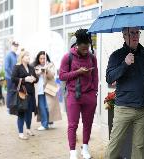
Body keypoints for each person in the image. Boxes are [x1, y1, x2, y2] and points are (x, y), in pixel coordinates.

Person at [105, 27, 144, 159]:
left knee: (139, 146)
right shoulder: (116, 55)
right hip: (124, 108)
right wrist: (124, 64)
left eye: (137, 32)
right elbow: (109, 78)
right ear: (124, 35)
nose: (135, 36)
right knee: (115, 145)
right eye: (131, 33)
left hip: (143, 107)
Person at [59, 29, 98, 159]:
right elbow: (62, 76)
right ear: (77, 45)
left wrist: (94, 92)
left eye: (88, 47)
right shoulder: (68, 57)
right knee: (72, 124)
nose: (86, 50)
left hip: (89, 96)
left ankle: (85, 148)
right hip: (73, 95)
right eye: (83, 48)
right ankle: (72, 152)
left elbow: (95, 75)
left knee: (88, 124)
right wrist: (78, 72)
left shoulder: (92, 57)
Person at [11, 50, 38, 140]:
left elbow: (36, 78)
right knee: (21, 113)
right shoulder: (17, 67)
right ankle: (21, 133)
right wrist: (24, 79)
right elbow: (13, 78)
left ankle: (28, 129)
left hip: (30, 93)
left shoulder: (31, 67)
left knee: (29, 112)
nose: (28, 57)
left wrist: (34, 79)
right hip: (22, 93)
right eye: (26, 56)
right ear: (22, 57)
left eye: (29, 56)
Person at [33, 51, 62, 131]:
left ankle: (50, 122)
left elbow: (52, 75)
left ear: (46, 58)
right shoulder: (35, 67)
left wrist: (47, 70)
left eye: (44, 58)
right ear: (38, 59)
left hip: (49, 88)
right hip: (39, 90)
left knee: (49, 106)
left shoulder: (50, 65)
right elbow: (34, 77)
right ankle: (44, 124)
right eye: (41, 58)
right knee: (42, 107)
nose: (42, 60)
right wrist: (38, 73)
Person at [4, 41, 19, 112]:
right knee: (10, 92)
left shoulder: (16, 55)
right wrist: (13, 75)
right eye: (14, 46)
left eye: (17, 46)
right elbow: (6, 68)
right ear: (11, 46)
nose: (16, 47)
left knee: (14, 92)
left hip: (15, 77)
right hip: (10, 78)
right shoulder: (8, 55)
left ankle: (12, 107)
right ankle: (8, 108)